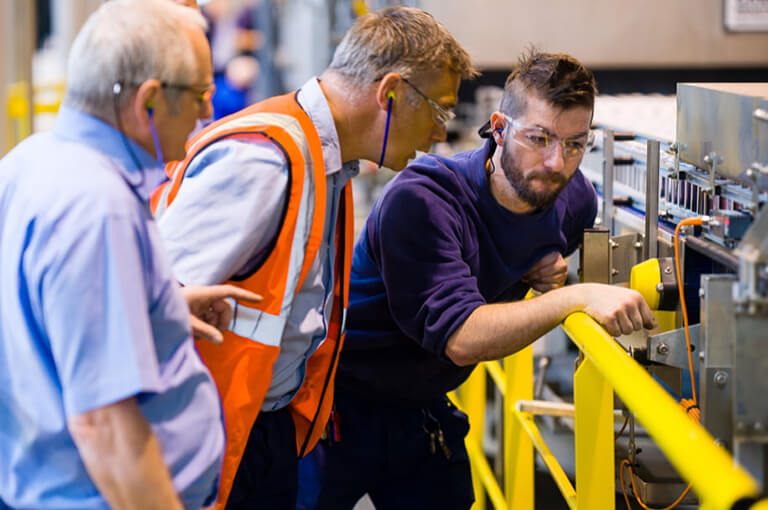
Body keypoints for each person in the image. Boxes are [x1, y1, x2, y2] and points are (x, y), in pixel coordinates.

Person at [151, 6, 477, 508]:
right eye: (438, 112)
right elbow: (150, 301)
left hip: (265, 430)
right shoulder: (267, 163)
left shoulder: (325, 163)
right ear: (389, 93)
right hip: (218, 440)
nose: (438, 134)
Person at [312, 50, 658, 509]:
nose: (557, 162)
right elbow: (461, 337)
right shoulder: (424, 199)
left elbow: (541, 252)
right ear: (498, 128)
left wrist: (542, 264)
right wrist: (575, 296)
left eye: (575, 144)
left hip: (423, 405)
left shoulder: (574, 200)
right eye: (539, 138)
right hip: (338, 406)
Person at [0, 1, 260, 508]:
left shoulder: (28, 161)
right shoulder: (99, 207)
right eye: (201, 93)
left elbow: (39, 318)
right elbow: (106, 428)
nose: (208, 112)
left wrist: (151, 310)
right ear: (149, 102)